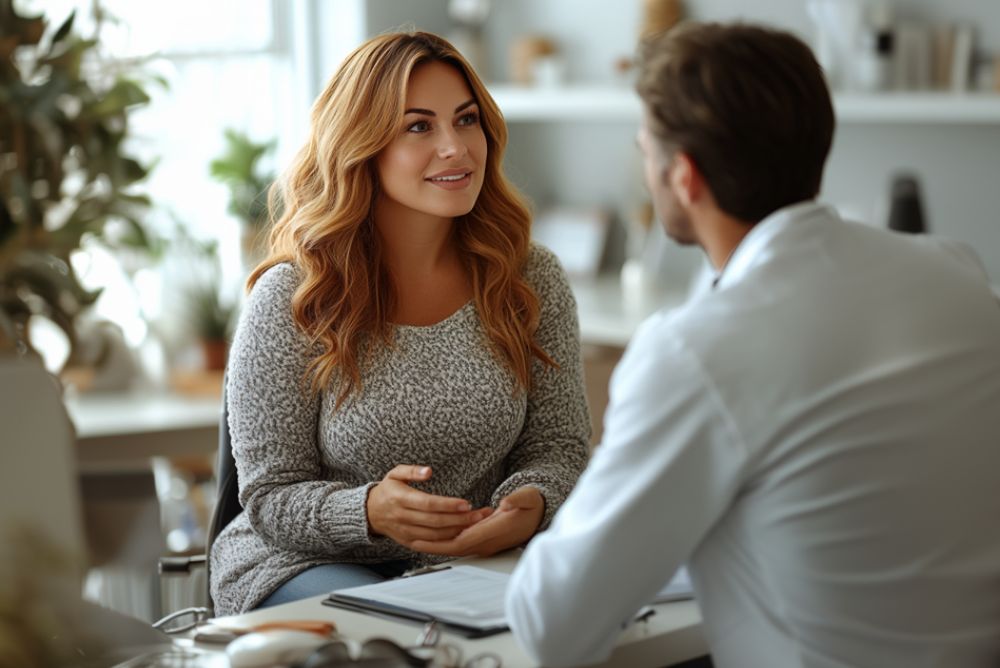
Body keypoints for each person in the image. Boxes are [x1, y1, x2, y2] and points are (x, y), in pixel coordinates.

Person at [506, 22, 1000, 668]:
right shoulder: (959, 274)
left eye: (645, 150)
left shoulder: (695, 350)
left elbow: (551, 625)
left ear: (684, 177)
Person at [210, 30, 591, 616]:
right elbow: (268, 496)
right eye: (419, 127)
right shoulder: (294, 296)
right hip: (300, 563)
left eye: (466, 121)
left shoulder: (528, 279)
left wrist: (530, 505)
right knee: (402, 642)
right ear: (362, 146)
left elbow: (559, 446)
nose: (455, 148)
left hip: (472, 568)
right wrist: (369, 512)